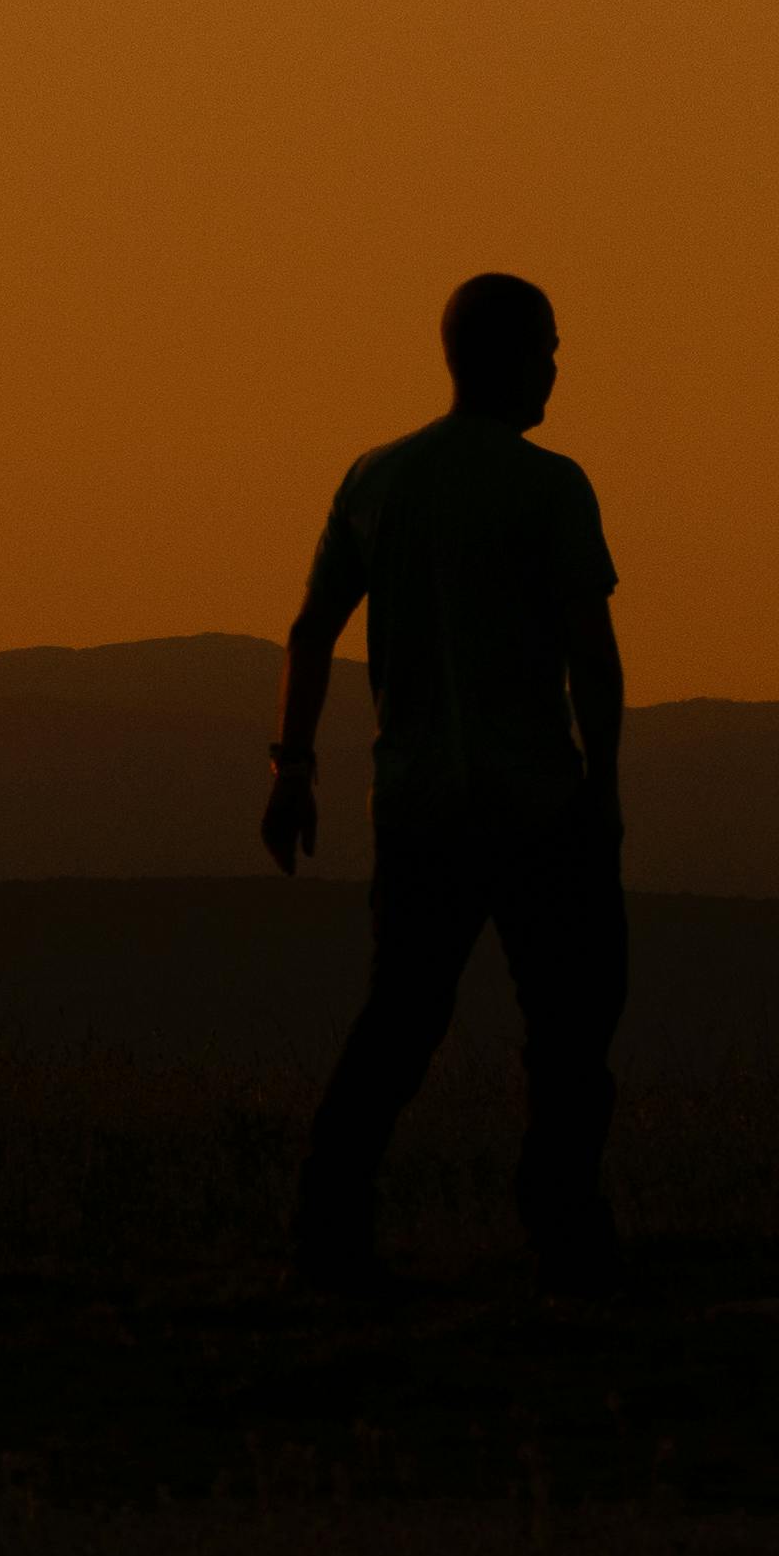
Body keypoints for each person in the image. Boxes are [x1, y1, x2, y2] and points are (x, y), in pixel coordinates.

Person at [262, 271, 627, 1295]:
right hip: (537, 804)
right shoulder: (552, 488)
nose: (557, 365)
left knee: (402, 1019)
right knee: (571, 1023)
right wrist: (605, 787)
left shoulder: (378, 480)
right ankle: (561, 1225)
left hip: (419, 806)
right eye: (549, 346)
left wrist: (292, 768)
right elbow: (592, 656)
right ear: (509, 356)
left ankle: (329, 1224)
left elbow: (309, 632)